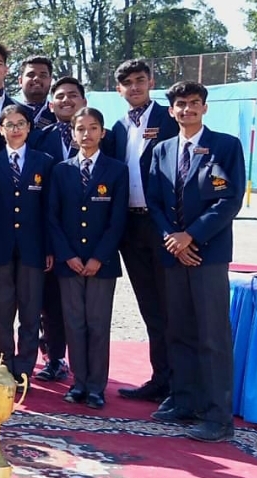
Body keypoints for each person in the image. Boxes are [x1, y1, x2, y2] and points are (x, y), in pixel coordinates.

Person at [146, 81, 244, 443]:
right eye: (180, 105)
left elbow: (228, 200)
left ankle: (218, 417)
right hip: (174, 254)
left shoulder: (224, 146)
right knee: (180, 330)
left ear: (204, 108)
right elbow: (155, 201)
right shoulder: (161, 150)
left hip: (207, 254)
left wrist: (193, 236)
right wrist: (173, 239)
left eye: (193, 104)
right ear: (171, 111)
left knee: (212, 336)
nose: (186, 110)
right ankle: (184, 401)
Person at [108, 60, 180, 407]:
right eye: (127, 83)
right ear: (118, 89)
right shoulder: (117, 128)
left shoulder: (171, 120)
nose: (134, 87)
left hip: (162, 225)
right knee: (150, 308)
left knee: (172, 307)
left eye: (140, 80)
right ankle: (160, 379)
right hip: (131, 228)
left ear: (151, 82)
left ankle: (180, 386)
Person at [47, 107, 128, 410]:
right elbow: (52, 217)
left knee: (97, 325)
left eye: (93, 128)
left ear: (102, 132)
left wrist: (98, 257)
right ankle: (78, 382)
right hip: (70, 263)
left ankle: (96, 386)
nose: (87, 134)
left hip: (101, 264)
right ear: (72, 132)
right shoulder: (62, 169)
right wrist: (67, 255)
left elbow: (117, 221)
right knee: (74, 324)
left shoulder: (117, 170)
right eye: (80, 129)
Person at [0, 105, 55, 386]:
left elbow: (48, 210)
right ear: (1, 129)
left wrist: (48, 248)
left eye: (21, 123)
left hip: (33, 249)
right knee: (1, 308)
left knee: (31, 311)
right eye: (10, 124)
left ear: (29, 128)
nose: (16, 129)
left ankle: (24, 369)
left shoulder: (44, 162)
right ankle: (3, 363)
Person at [28, 76, 89, 383]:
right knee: (50, 301)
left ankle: (87, 367)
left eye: (73, 95)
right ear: (51, 105)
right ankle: (55, 358)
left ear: (83, 102)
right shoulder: (39, 138)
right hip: (49, 232)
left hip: (88, 232)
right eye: (61, 96)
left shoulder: (99, 136)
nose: (67, 100)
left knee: (85, 305)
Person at [17, 55, 55, 129]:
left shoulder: (58, 115)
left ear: (50, 81)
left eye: (43, 75)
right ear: (20, 81)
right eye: (31, 75)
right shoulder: (8, 113)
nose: (37, 78)